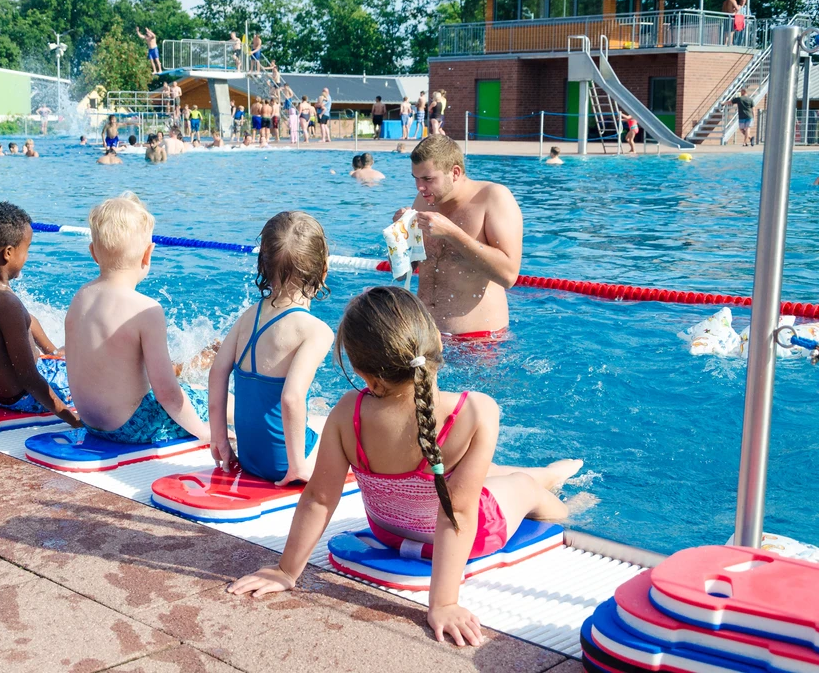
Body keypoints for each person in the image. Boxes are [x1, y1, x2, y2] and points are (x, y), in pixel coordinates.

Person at [229, 287, 578, 646]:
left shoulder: (346, 413)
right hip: (473, 536)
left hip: (388, 533)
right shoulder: (476, 411)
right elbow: (457, 511)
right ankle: (565, 494)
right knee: (523, 485)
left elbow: (319, 498)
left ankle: (547, 473)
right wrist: (443, 603)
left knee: (478, 473)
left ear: (365, 373)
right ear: (434, 346)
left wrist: (286, 571)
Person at [64, 193, 211, 444]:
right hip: (130, 428)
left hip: (91, 423)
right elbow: (167, 394)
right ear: (148, 254)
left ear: (93, 253)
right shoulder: (146, 309)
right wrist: (207, 434)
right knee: (208, 398)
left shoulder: (81, 297)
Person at [208, 212, 333, 485]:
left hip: (249, 458)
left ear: (263, 266)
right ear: (323, 271)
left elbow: (217, 371)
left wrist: (219, 439)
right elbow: (291, 398)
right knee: (346, 426)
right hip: (284, 463)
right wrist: (298, 466)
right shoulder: (316, 331)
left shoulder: (248, 315)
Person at [0, 202, 80, 427]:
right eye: (27, 248)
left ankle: (57, 355)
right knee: (95, 363)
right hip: (26, 398)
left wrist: (51, 351)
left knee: (67, 353)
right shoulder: (5, 303)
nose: (28, 255)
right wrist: (69, 416)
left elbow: (28, 319)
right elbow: (29, 378)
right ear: (8, 253)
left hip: (1, 397)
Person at [392, 134, 522, 340]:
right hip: (427, 335)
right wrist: (402, 236)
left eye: (427, 179)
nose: (420, 187)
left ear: (454, 172)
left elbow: (508, 276)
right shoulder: (424, 200)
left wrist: (453, 234)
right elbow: (404, 273)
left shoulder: (493, 198)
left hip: (480, 340)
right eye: (415, 179)